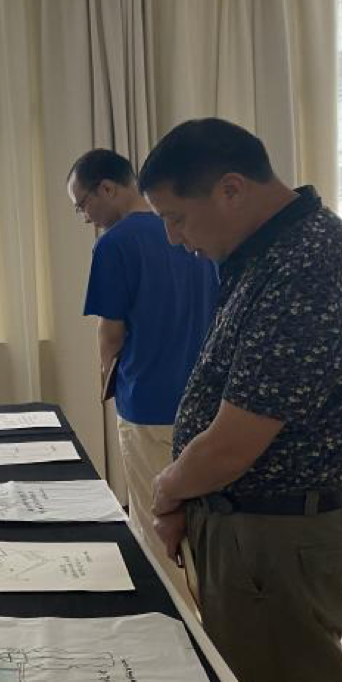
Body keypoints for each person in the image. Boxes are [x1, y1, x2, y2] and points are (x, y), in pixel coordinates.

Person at [140, 118, 342, 682]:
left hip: (276, 538)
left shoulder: (310, 264)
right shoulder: (269, 254)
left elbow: (237, 441)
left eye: (177, 217)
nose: (174, 238)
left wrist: (167, 490)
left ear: (230, 189)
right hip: (251, 530)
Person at [67, 149, 218, 605]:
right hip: (209, 405)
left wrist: (104, 377)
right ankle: (214, 615)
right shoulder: (194, 228)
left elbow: (111, 332)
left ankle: (178, 624)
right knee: (205, 523)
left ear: (107, 188)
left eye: (83, 204)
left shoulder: (114, 244)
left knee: (158, 527)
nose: (85, 217)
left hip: (149, 402)